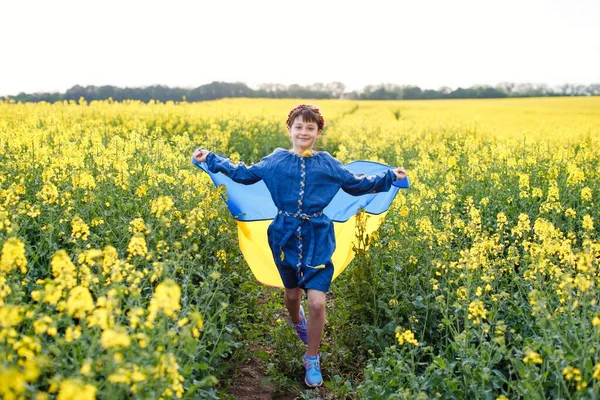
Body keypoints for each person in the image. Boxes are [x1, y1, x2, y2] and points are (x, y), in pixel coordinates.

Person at [192, 104, 407, 388]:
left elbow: (355, 184)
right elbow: (242, 173)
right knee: (292, 297)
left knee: (317, 301)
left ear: (318, 132)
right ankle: (298, 323)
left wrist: (391, 176)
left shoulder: (328, 163)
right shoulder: (275, 161)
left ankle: (312, 357)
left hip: (318, 236)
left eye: (310, 127)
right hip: (284, 237)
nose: (304, 132)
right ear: (290, 130)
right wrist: (211, 159)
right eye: (299, 126)